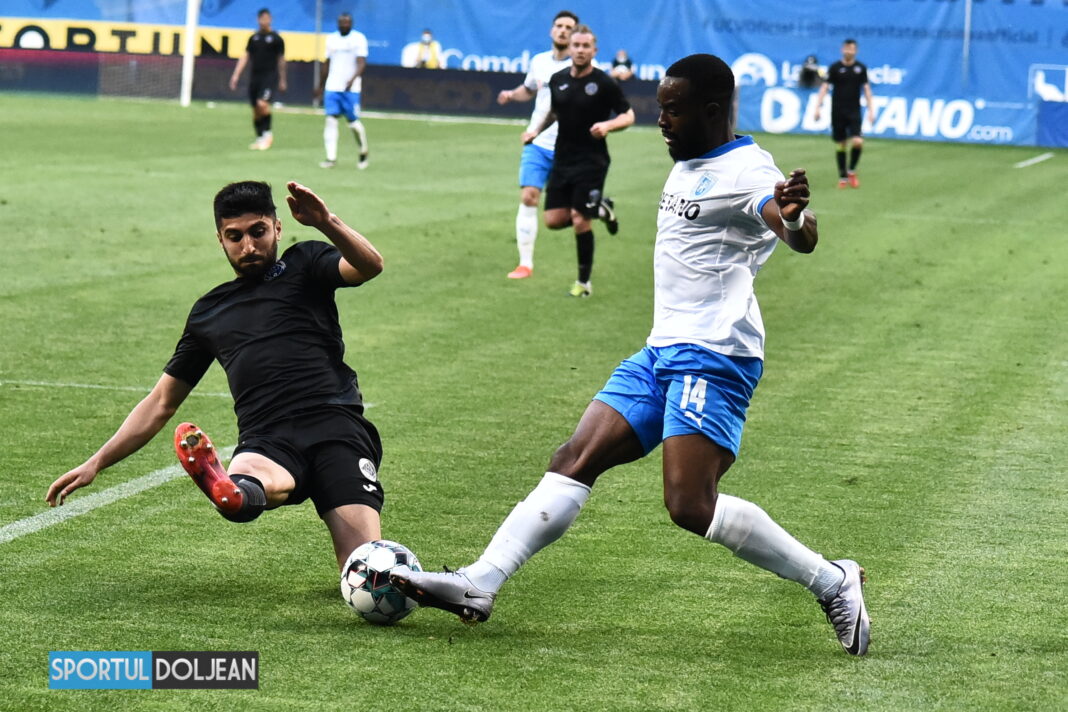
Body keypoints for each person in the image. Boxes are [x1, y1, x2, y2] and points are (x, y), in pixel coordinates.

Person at [391, 53, 870, 656]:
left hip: (714, 356)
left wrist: (796, 220)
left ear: (712, 111)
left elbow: (794, 229)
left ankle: (833, 580)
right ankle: (479, 583)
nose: (661, 119)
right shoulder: (687, 159)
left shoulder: (747, 169)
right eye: (661, 107)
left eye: (674, 109)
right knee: (574, 456)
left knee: (689, 504)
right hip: (659, 350)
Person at [45, 181, 387, 571]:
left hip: (335, 428)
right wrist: (96, 462)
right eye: (234, 236)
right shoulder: (210, 312)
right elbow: (161, 402)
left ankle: (370, 564)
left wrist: (326, 223)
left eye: (257, 232)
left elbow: (369, 265)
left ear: (277, 227)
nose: (248, 246)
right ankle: (235, 493)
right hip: (268, 439)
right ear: (220, 240)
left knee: (367, 570)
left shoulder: (306, 264)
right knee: (241, 487)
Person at [525, 24, 634, 297]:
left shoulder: (605, 83)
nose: (581, 50)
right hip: (562, 159)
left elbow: (628, 115)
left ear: (594, 50)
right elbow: (554, 112)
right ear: (570, 48)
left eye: (586, 46)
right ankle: (601, 208)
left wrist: (608, 126)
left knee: (578, 218)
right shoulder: (559, 79)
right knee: (553, 219)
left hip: (592, 161)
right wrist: (534, 131)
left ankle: (584, 284)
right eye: (577, 45)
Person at [496, 10, 578, 280]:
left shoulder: (583, 68)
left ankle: (598, 207)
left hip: (570, 147)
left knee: (572, 213)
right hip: (538, 143)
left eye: (568, 27)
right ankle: (525, 264)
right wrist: (511, 94)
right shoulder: (540, 61)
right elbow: (529, 89)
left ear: (575, 34)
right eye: (559, 26)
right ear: (551, 31)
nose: (563, 31)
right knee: (529, 195)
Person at [814, 39, 876, 189]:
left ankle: (852, 171)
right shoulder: (835, 68)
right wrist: (817, 107)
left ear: (856, 51)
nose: (849, 51)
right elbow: (824, 87)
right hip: (837, 111)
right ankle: (842, 177)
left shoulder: (860, 69)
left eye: (852, 49)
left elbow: (866, 89)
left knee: (857, 142)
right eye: (847, 49)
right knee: (841, 143)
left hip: (854, 110)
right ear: (843, 49)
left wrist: (871, 110)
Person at [316, 12, 370, 170]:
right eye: (341, 22)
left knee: (353, 123)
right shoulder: (332, 39)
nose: (344, 25)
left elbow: (361, 63)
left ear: (351, 23)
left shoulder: (358, 38)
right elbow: (327, 62)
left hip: (351, 89)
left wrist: (352, 79)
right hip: (332, 86)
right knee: (330, 120)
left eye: (347, 22)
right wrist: (320, 85)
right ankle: (331, 158)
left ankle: (363, 150)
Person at [229, 8, 287, 151]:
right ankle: (260, 137)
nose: (264, 21)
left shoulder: (277, 39)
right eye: (262, 19)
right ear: (258, 20)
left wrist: (282, 79)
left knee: (262, 104)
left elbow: (281, 60)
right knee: (255, 110)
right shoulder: (253, 38)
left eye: (267, 18)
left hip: (269, 77)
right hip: (255, 77)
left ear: (270, 19)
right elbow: (246, 56)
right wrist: (236, 74)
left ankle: (268, 134)